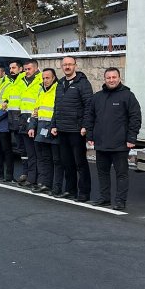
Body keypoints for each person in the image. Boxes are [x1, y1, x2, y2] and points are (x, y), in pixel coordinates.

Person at [85, 67, 142, 210]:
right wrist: (90, 135)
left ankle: (120, 201)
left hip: (120, 144)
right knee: (102, 173)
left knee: (121, 174)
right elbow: (90, 117)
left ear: (119, 78)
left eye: (114, 77)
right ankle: (104, 198)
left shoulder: (128, 96)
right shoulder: (97, 97)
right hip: (101, 143)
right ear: (104, 79)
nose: (111, 80)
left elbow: (135, 118)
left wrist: (131, 138)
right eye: (108, 78)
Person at [50, 56, 94, 201]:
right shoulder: (60, 83)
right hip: (62, 129)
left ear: (75, 65)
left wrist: (85, 126)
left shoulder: (83, 83)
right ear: (61, 67)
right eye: (65, 65)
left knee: (80, 163)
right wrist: (54, 125)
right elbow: (56, 106)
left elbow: (89, 106)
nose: (67, 67)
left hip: (76, 130)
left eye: (70, 64)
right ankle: (70, 190)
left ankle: (84, 192)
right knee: (67, 163)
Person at [28, 68, 62, 195]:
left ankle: (56, 187)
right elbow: (35, 110)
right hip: (41, 129)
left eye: (48, 78)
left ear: (54, 78)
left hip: (53, 129)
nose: (45, 80)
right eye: (43, 78)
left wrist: (54, 126)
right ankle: (44, 184)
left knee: (56, 160)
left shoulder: (58, 90)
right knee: (43, 159)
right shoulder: (41, 90)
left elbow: (58, 111)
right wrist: (32, 126)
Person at [16, 60, 43, 186]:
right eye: (25, 69)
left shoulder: (40, 80)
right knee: (27, 151)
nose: (26, 71)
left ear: (36, 68)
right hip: (23, 119)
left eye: (29, 69)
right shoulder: (22, 80)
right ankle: (29, 175)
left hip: (34, 119)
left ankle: (34, 179)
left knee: (35, 152)